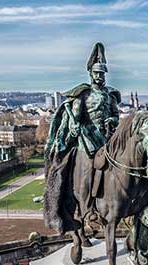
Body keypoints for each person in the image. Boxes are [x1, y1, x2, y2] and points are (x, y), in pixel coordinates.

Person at [44, 43, 121, 235]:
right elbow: (75, 121)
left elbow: (115, 115)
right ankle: (88, 208)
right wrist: (74, 127)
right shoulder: (82, 94)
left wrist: (112, 119)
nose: (100, 77)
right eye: (97, 74)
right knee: (88, 168)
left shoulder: (110, 94)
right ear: (91, 75)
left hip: (106, 138)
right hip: (86, 139)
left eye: (102, 74)